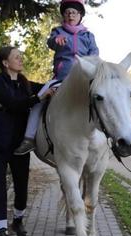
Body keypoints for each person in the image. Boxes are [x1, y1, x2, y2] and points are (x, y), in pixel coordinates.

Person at [0, 46, 55, 236]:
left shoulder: (26, 84)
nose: (21, 60)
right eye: (16, 57)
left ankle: (18, 221)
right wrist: (39, 97)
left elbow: (49, 87)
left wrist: (62, 80)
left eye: (20, 57)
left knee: (21, 187)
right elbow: (13, 104)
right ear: (5, 62)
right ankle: (1, 231)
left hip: (19, 145)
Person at [14, 0, 99, 155]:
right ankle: (29, 138)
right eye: (67, 13)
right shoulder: (58, 31)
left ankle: (115, 135)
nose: (70, 15)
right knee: (39, 101)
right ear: (64, 16)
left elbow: (94, 55)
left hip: (83, 79)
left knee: (103, 97)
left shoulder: (88, 35)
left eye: (74, 12)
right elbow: (51, 42)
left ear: (80, 15)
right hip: (61, 78)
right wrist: (56, 41)